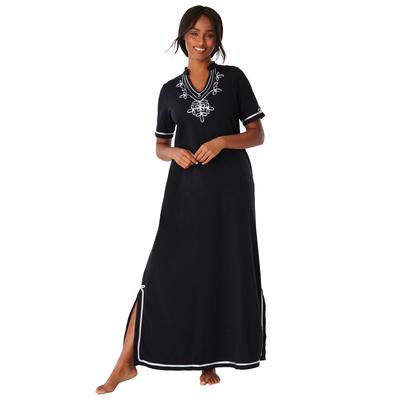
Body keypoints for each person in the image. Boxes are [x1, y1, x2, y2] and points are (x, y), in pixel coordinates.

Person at [96, 5, 266, 393]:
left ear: (217, 39)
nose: (202, 42)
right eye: (194, 33)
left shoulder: (234, 79)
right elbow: (160, 146)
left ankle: (209, 358)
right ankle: (125, 362)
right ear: (183, 37)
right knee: (162, 271)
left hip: (230, 191)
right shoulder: (169, 90)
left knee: (220, 266)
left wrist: (222, 141)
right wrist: (173, 152)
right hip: (185, 192)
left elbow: (257, 135)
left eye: (209, 34)